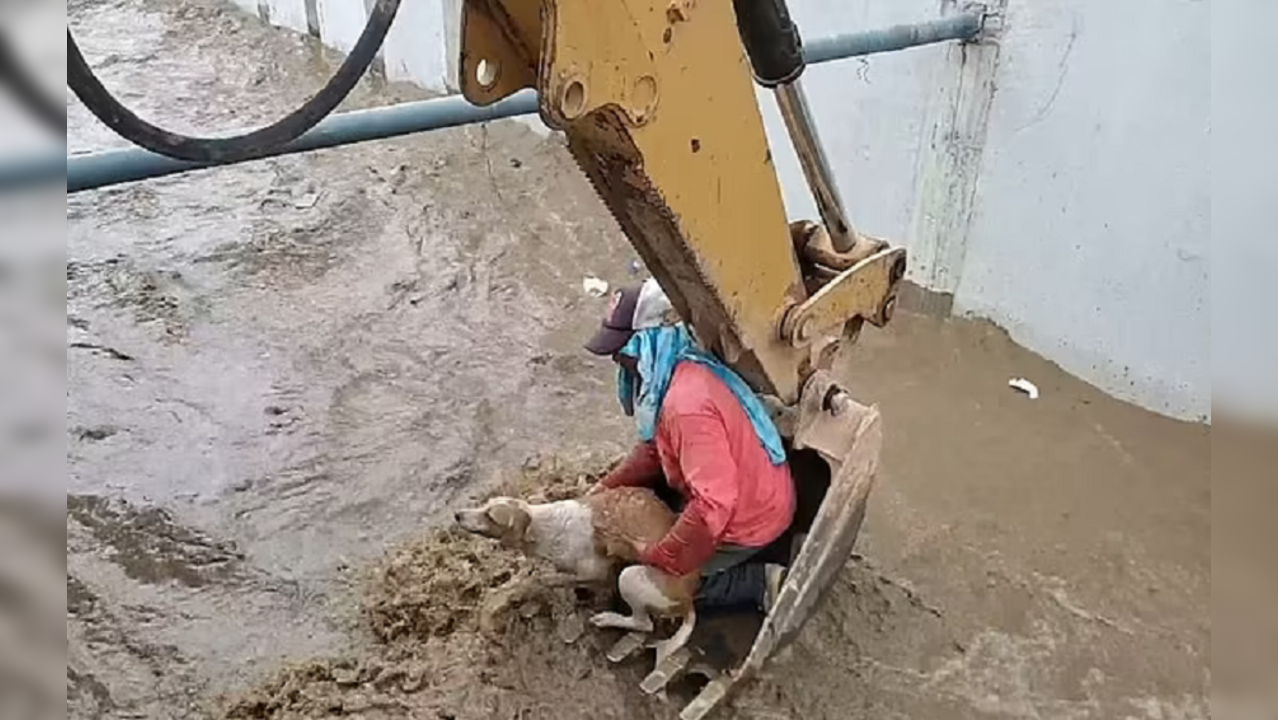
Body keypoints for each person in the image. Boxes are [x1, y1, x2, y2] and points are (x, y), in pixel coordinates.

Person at [584, 277, 793, 611]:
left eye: (623, 353)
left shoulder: (686, 406)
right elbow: (655, 449)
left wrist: (661, 556)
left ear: (648, 340)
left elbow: (714, 506)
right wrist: (606, 486)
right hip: (744, 486)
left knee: (645, 584)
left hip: (750, 519)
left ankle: (759, 581)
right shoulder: (678, 365)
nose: (618, 363)